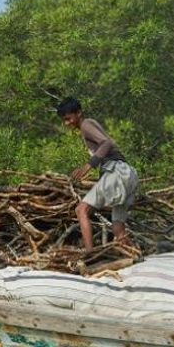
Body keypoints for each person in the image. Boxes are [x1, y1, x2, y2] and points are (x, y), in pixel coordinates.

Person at [56, 97, 139, 252]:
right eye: (64, 120)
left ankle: (90, 255)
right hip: (127, 173)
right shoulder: (88, 125)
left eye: (68, 118)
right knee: (118, 228)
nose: (67, 123)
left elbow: (107, 143)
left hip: (117, 171)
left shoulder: (86, 124)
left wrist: (89, 165)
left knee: (81, 210)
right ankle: (135, 255)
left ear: (78, 113)